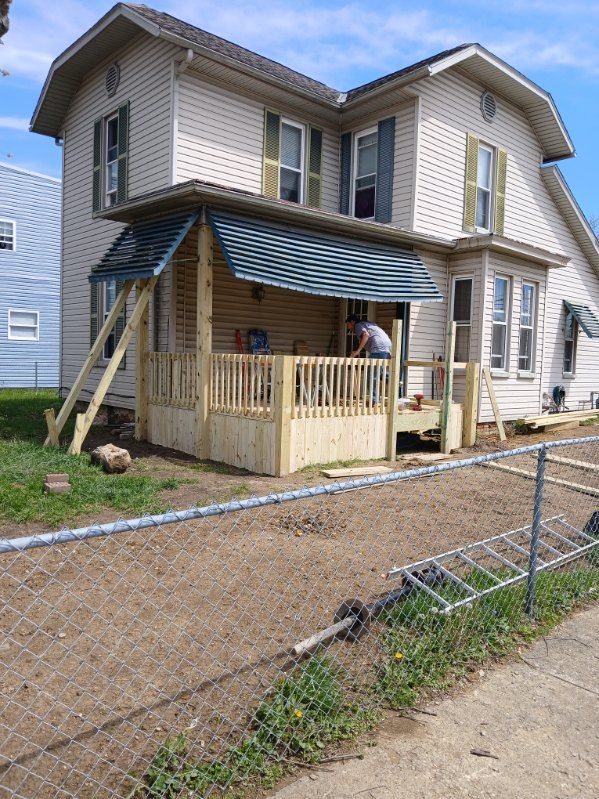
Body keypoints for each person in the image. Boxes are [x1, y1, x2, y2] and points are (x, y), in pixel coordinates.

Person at [345, 314, 392, 403]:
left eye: (348, 324)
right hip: (386, 346)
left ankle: (375, 400)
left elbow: (365, 335)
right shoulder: (368, 323)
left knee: (371, 376)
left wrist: (358, 350)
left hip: (378, 348)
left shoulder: (358, 325)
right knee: (379, 372)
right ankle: (395, 378)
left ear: (352, 322)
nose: (348, 327)